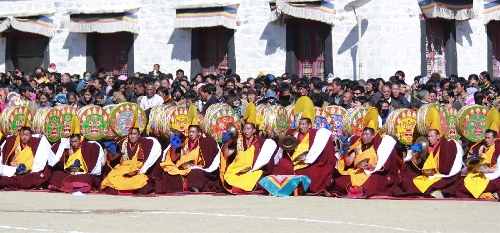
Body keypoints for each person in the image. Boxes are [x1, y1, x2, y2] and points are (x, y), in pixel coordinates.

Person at [272, 96, 336, 193]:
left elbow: (316, 151)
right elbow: (287, 147)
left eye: (303, 124)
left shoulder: (315, 134)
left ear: (310, 125)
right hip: (294, 160)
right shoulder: (294, 133)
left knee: (313, 171)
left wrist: (308, 158)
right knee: (282, 164)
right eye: (300, 124)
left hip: (306, 162)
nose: (301, 127)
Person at [394, 107, 463, 198]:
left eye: (432, 136)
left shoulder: (446, 145)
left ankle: (437, 192)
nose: (429, 139)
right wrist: (413, 157)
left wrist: (434, 172)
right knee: (408, 181)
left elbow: (446, 169)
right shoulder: (425, 144)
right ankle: (434, 192)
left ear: (438, 136)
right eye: (428, 136)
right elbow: (414, 157)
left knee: (437, 183)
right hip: (426, 175)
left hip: (439, 175)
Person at [332, 107, 399, 198]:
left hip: (371, 172)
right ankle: (356, 189)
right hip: (357, 171)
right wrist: (345, 152)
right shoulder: (358, 147)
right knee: (342, 179)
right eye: (363, 134)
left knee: (374, 180)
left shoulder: (377, 147)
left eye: (367, 135)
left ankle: (359, 189)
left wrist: (370, 166)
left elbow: (380, 165)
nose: (364, 137)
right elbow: (348, 162)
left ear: (373, 135)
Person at [155, 104, 222, 193]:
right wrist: (174, 147)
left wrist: (196, 166)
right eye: (189, 132)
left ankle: (193, 186)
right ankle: (183, 186)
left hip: (197, 168)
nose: (191, 134)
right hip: (183, 169)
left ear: (199, 133)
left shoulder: (205, 142)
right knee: (168, 173)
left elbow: (207, 164)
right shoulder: (184, 142)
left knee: (196, 173)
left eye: (193, 132)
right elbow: (174, 159)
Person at [101, 108, 162, 195]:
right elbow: (112, 158)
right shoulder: (123, 143)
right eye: (130, 134)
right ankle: (126, 188)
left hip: (137, 172)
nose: (132, 136)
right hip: (123, 170)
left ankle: (124, 188)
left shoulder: (143, 144)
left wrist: (135, 171)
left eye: (134, 134)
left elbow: (144, 163)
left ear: (138, 135)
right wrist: (110, 149)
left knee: (142, 180)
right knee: (111, 178)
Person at [220, 102, 277, 193]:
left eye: (248, 129)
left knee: (257, 176)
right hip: (238, 170)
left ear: (254, 130)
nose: (245, 131)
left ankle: (240, 187)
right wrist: (226, 143)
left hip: (253, 170)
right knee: (230, 176)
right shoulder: (238, 140)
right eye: (244, 129)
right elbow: (226, 154)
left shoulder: (259, 142)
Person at [48, 114, 104, 193]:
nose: (74, 144)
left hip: (82, 173)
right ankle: (74, 186)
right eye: (72, 142)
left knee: (87, 178)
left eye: (75, 141)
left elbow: (92, 167)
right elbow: (63, 164)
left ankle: (69, 186)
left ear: (80, 140)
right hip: (70, 172)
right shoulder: (67, 148)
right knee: (57, 174)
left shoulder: (87, 147)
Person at [0, 110, 53, 190]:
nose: (24, 137)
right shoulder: (16, 145)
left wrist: (28, 169)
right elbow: (10, 161)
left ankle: (22, 183)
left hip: (30, 172)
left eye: (27, 135)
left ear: (30, 135)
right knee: (4, 179)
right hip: (17, 172)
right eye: (22, 135)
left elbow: (39, 161)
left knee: (37, 177)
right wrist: (17, 168)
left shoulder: (35, 144)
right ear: (19, 135)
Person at [456, 109, 500, 199]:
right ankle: (486, 194)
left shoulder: (498, 148)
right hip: (477, 173)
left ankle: (487, 193)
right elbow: (469, 161)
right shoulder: (479, 146)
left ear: (495, 138)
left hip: (492, 175)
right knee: (463, 186)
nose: (486, 140)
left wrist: (490, 170)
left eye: (489, 138)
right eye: (485, 137)